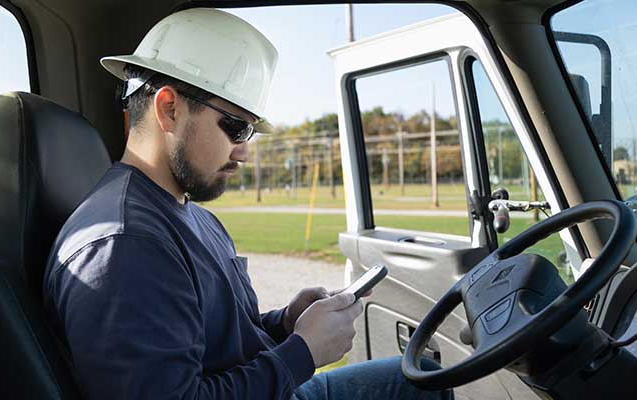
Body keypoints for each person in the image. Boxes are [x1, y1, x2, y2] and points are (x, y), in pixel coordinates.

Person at [43, 7, 453, 400]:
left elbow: (220, 348)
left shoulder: (190, 216)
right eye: (236, 127)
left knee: (423, 379)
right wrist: (303, 353)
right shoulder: (126, 246)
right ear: (169, 109)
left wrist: (287, 324)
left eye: (249, 132)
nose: (243, 152)